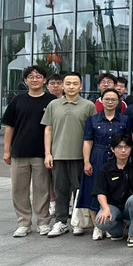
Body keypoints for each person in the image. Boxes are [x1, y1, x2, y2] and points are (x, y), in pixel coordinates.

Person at [42, 71, 97, 238]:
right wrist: (48, 153)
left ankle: (78, 221)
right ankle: (61, 221)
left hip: (80, 156)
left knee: (79, 190)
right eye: (68, 83)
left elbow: (93, 133)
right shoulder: (53, 105)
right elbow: (48, 129)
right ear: (62, 86)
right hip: (58, 155)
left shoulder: (89, 106)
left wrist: (89, 158)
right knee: (60, 190)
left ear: (81, 86)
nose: (71, 86)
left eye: (75, 83)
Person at [3, 65, 56, 237]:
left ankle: (43, 222)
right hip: (19, 151)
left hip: (42, 152)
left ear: (44, 80)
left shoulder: (51, 100)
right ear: (25, 81)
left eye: (38, 76)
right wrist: (6, 150)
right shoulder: (18, 100)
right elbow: (9, 127)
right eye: (31, 77)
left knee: (42, 189)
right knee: (19, 189)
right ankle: (23, 223)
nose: (35, 79)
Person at [80, 89, 131, 241]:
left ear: (118, 102)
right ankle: (97, 226)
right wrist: (87, 161)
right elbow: (88, 141)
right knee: (94, 189)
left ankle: (110, 223)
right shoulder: (92, 120)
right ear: (101, 101)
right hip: (97, 156)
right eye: (107, 99)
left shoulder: (124, 120)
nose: (110, 102)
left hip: (117, 157)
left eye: (113, 99)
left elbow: (129, 141)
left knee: (114, 190)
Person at [93, 133, 133, 247]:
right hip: (113, 206)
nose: (123, 150)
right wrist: (105, 209)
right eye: (119, 147)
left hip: (131, 207)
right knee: (100, 221)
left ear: (131, 148)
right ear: (112, 149)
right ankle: (118, 231)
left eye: (126, 147)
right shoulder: (106, 169)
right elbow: (100, 192)